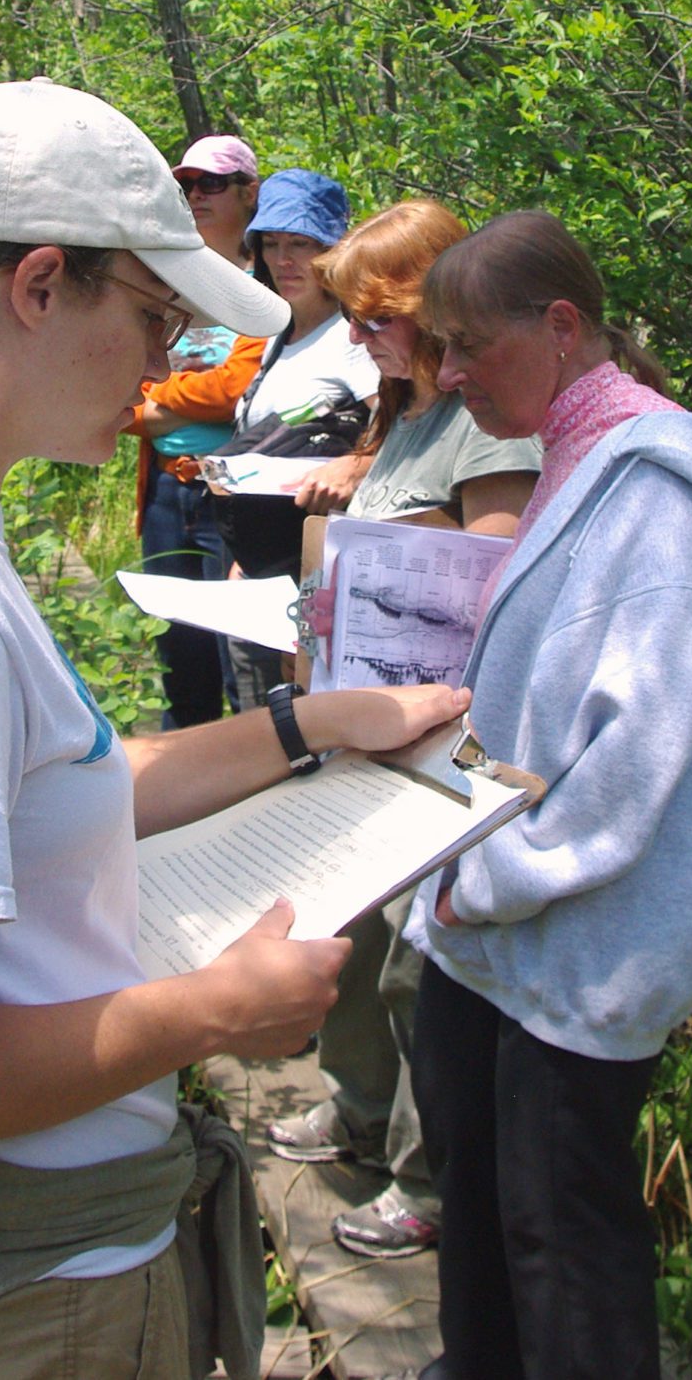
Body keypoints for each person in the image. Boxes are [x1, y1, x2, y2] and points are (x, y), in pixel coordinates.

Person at [0, 79, 467, 1380]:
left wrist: (306, 724)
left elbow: (51, 782)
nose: (162, 362)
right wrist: (209, 1009)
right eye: (153, 314)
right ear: (38, 285)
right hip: (19, 1289)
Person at [400, 211, 692, 1380]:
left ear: (563, 324)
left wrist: (485, 878)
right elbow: (545, 662)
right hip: (504, 907)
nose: (449, 375)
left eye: (470, 344)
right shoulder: (576, 458)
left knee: (557, 1226)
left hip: (577, 916)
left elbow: (638, 748)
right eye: (438, 347)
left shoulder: (658, 492)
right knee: (481, 1187)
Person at [262, 200, 543, 1262]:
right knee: (353, 925)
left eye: (374, 319)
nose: (356, 339)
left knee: (415, 965)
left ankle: (425, 1175)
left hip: (440, 732)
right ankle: (359, 1114)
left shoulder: (478, 424)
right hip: (363, 715)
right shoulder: (406, 418)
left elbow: (494, 571)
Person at [213, 167, 378, 710]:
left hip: (315, 569)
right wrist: (246, 555)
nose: (284, 261)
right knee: (252, 711)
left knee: (294, 721)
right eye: (272, 243)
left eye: (301, 244)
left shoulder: (351, 339)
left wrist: (352, 468)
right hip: (262, 564)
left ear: (332, 250)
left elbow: (392, 432)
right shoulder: (277, 334)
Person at [128, 134, 265, 728]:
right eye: (185, 185)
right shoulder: (163, 278)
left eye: (211, 183)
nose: (195, 195)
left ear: (247, 192)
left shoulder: (269, 282)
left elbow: (240, 387)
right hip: (165, 492)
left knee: (238, 655)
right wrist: (167, 405)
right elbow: (125, 387)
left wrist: (162, 402)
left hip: (234, 494)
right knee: (177, 655)